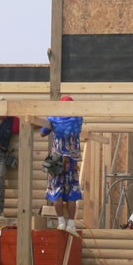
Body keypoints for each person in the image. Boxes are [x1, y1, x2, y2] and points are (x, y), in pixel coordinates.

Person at [41, 95, 83, 237]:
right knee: (72, 195)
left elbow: (42, 132)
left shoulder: (53, 118)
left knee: (56, 191)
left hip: (57, 163)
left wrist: (51, 122)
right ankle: (71, 224)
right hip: (72, 162)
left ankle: (61, 222)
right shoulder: (78, 118)